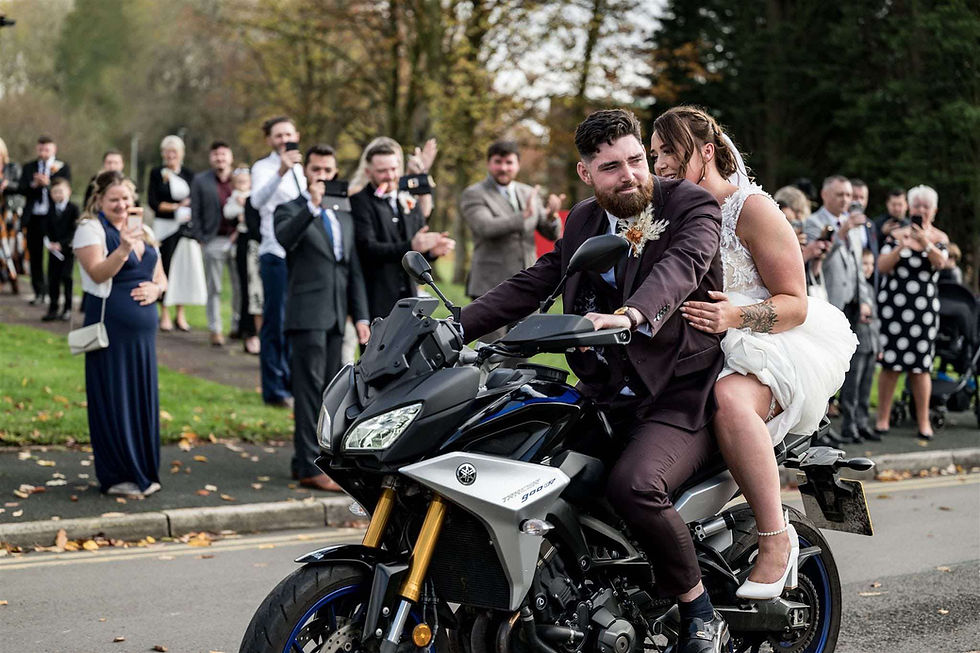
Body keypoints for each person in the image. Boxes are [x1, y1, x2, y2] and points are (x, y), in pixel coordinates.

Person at [462, 109, 729, 653]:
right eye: (611, 167)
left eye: (636, 160)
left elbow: (681, 266)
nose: (629, 175)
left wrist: (632, 314)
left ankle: (699, 610)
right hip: (606, 392)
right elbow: (539, 278)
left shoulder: (689, 205)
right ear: (586, 173)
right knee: (519, 466)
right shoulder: (583, 219)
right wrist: (454, 326)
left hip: (678, 392)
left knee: (634, 485)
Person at [652, 106, 855, 603]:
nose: (660, 165)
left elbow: (796, 304)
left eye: (669, 152)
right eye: (654, 155)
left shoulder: (752, 209)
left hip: (760, 344)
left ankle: (775, 536)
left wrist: (734, 317)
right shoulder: (665, 211)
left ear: (706, 151)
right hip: (689, 348)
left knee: (729, 401)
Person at [274, 144, 370, 491]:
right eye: (316, 169)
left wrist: (360, 315)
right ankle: (308, 467)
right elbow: (285, 240)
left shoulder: (343, 213)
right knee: (308, 392)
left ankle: (313, 461)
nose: (322, 176)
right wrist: (311, 206)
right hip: (306, 314)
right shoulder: (289, 209)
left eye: (328, 171)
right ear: (305, 172)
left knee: (331, 394)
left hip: (335, 315)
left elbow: (352, 268)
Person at [73, 170, 168, 497]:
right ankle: (118, 475)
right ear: (99, 199)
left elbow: (160, 275)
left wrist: (157, 290)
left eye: (126, 198)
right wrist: (124, 249)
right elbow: (98, 273)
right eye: (113, 199)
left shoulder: (145, 230)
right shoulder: (90, 229)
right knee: (116, 398)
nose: (121, 205)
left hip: (142, 339)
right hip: (110, 332)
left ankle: (144, 470)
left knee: (140, 398)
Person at [460, 140, 564, 340]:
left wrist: (552, 217)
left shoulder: (529, 192)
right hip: (490, 286)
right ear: (489, 163)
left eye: (509, 162)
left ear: (518, 164)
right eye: (498, 162)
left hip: (528, 284)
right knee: (489, 350)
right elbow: (485, 227)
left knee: (523, 346)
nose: (503, 168)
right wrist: (522, 216)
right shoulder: (474, 194)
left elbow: (550, 234)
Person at [874, 185, 949, 440]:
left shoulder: (939, 237)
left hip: (923, 311)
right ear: (909, 208)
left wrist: (924, 242)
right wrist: (900, 247)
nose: (921, 210)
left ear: (934, 211)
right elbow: (881, 266)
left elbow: (941, 262)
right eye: (917, 205)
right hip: (894, 308)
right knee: (890, 365)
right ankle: (882, 419)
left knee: (921, 368)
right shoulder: (896, 234)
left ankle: (924, 422)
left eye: (926, 206)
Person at [351, 140, 454, 321]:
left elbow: (414, 242)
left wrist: (431, 251)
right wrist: (411, 245)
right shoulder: (360, 201)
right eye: (382, 171)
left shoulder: (407, 198)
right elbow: (368, 248)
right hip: (377, 297)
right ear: (368, 172)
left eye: (393, 169)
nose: (390, 176)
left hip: (410, 297)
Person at [252, 116, 306, 408]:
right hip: (275, 252)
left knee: (295, 321)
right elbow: (256, 201)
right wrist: (280, 171)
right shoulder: (263, 168)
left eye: (288, 134)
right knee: (276, 320)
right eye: (278, 135)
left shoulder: (303, 168)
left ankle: (291, 382)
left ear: (296, 135)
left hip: (300, 254)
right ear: (269, 140)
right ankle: (273, 388)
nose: (284, 139)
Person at [189, 140, 240, 347]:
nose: (220, 158)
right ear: (211, 158)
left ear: (230, 157)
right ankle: (215, 329)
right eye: (216, 155)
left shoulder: (240, 179)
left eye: (223, 154)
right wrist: (201, 238)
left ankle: (237, 326)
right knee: (214, 287)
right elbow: (195, 211)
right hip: (213, 239)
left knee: (239, 286)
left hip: (238, 239)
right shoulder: (200, 181)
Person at [146, 135, 195, 331]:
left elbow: (194, 198)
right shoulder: (156, 173)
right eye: (167, 152)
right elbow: (153, 202)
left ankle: (180, 313)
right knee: (164, 266)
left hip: (183, 228)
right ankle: (164, 311)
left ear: (181, 154)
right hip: (164, 227)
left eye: (174, 152)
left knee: (181, 269)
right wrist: (175, 207)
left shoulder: (189, 174)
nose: (171, 155)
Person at [15, 136, 71, 304]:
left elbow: (65, 188)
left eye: (46, 149)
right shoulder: (29, 167)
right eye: (40, 149)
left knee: (56, 255)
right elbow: (21, 189)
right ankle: (39, 291)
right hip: (34, 217)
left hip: (53, 217)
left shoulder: (62, 167)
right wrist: (34, 184)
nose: (43, 152)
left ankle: (55, 292)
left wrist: (48, 183)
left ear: (54, 149)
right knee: (35, 255)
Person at [839, 248, 882, 442]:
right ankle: (849, 425)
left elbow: (876, 320)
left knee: (866, 387)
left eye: (871, 264)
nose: (869, 268)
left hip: (871, 344)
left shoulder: (870, 290)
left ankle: (862, 423)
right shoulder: (853, 292)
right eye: (865, 264)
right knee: (852, 387)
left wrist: (879, 346)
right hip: (858, 344)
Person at [225, 166, 262, 354]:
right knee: (246, 287)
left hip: (258, 242)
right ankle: (247, 331)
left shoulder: (255, 196)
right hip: (244, 242)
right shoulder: (235, 199)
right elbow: (229, 213)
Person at [41, 178, 79, 321]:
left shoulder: (73, 209)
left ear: (68, 192)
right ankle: (53, 308)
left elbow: (74, 230)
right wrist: (50, 242)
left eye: (60, 191)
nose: (57, 194)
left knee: (67, 278)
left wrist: (62, 244)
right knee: (53, 279)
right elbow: (46, 228)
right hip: (53, 251)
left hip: (67, 251)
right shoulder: (50, 209)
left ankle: (67, 308)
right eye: (54, 192)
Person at [0, 136, 24, 294]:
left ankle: (13, 276)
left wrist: (7, 185)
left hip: (9, 213)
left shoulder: (12, 167)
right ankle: (3, 278)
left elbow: (21, 186)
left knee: (11, 247)